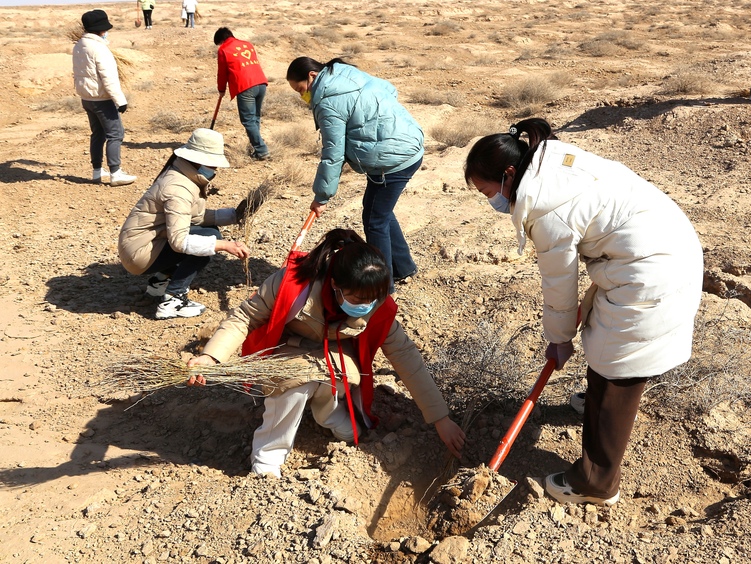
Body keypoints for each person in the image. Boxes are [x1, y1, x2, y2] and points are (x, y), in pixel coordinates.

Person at [464, 118, 703, 506]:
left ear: (509, 174)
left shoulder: (546, 208)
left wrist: (558, 340)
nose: (487, 198)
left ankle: (596, 481)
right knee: (606, 346)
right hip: (662, 244)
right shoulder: (552, 166)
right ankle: (595, 402)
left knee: (616, 365)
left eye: (486, 190)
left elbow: (559, 286)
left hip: (650, 271)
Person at [186, 229, 465, 477]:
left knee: (336, 385)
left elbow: (407, 358)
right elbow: (245, 317)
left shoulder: (377, 304)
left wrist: (441, 419)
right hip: (289, 350)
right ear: (335, 286)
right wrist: (211, 357)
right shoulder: (292, 284)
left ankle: (328, 415)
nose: (366, 306)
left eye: (372, 300)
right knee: (292, 386)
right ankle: (267, 460)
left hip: (336, 357)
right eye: (357, 300)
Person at [286, 57, 423, 292]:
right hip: (408, 142)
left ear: (311, 76)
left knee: (375, 219)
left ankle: (383, 286)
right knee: (379, 209)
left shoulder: (328, 100)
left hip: (392, 159)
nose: (303, 97)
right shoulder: (345, 75)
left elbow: (333, 153)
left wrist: (322, 196)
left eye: (301, 90)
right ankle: (403, 267)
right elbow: (390, 89)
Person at [118, 128, 252, 319]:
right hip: (140, 253)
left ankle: (161, 281)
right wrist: (224, 246)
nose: (215, 170)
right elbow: (179, 242)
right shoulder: (179, 188)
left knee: (208, 233)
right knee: (210, 238)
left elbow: (193, 217)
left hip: (141, 246)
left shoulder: (181, 174)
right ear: (199, 161)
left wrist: (234, 216)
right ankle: (173, 299)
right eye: (213, 165)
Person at [72, 9, 137, 187]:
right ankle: (115, 173)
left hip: (87, 98)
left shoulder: (78, 45)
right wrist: (120, 100)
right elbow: (108, 78)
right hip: (102, 99)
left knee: (97, 133)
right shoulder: (99, 48)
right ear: (101, 29)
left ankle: (97, 171)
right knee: (115, 134)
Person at [214, 27, 270, 160]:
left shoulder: (223, 50)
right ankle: (257, 147)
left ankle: (261, 150)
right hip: (261, 82)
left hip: (245, 86)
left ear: (221, 40)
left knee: (248, 120)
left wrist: (221, 89)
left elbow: (222, 73)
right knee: (255, 117)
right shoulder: (247, 44)